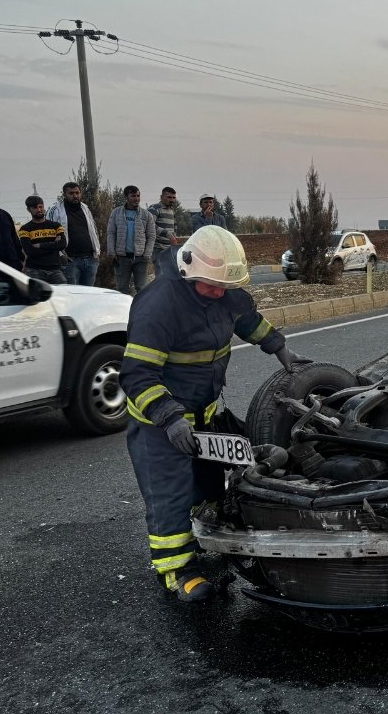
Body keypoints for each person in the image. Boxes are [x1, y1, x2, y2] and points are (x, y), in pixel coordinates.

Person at [120, 225, 312, 602]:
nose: (219, 292)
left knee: (206, 487)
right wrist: (169, 417)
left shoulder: (222, 290)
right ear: (189, 269)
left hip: (202, 416)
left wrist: (278, 347)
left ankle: (203, 536)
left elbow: (247, 320)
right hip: (159, 423)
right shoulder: (158, 305)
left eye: (225, 286)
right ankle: (177, 570)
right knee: (169, 493)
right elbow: (138, 374)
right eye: (212, 286)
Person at [106, 185, 157, 295]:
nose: (136, 199)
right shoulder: (116, 213)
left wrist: (147, 254)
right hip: (121, 258)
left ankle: (141, 311)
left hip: (140, 258)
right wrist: (111, 252)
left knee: (142, 289)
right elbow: (111, 233)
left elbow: (151, 235)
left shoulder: (146, 215)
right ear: (126, 197)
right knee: (121, 289)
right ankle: (123, 311)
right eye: (133, 196)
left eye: (138, 196)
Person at [48, 182, 101, 286]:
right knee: (72, 294)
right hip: (70, 260)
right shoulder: (55, 210)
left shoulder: (85, 208)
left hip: (90, 259)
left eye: (77, 193)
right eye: (71, 193)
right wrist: (60, 254)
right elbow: (49, 235)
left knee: (88, 294)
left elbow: (93, 229)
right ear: (64, 194)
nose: (75, 196)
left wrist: (97, 251)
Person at [17, 196, 67, 284]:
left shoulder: (56, 226)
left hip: (55, 270)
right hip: (34, 271)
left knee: (62, 295)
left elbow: (62, 244)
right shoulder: (25, 229)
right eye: (35, 207)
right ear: (29, 209)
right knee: (37, 297)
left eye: (41, 206)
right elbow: (30, 251)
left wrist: (40, 245)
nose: (39, 210)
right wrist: (53, 244)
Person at [148, 186, 182, 274]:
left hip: (170, 249)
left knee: (170, 275)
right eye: (169, 197)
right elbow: (149, 225)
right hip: (158, 248)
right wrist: (167, 234)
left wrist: (174, 236)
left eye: (174, 198)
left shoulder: (172, 211)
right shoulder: (154, 208)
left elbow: (174, 226)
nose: (172, 200)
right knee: (160, 276)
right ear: (161, 197)